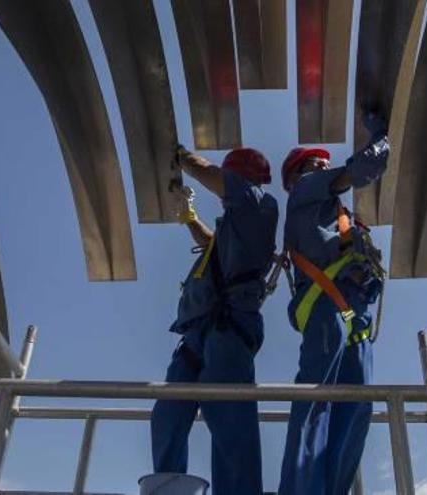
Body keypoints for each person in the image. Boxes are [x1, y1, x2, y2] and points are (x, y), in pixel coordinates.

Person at [150, 146, 278, 495]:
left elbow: (217, 178)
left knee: (228, 419)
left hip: (228, 326)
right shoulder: (235, 228)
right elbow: (212, 244)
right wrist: (188, 216)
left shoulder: (259, 205)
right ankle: (168, 488)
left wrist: (182, 157)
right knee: (168, 415)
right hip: (198, 331)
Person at [278, 112, 389, 495]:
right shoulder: (307, 190)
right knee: (316, 399)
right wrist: (382, 138)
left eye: (323, 162)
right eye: (313, 163)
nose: (323, 165)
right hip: (327, 303)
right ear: (296, 178)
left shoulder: (336, 213)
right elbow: (364, 168)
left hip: (354, 310)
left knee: (357, 407)